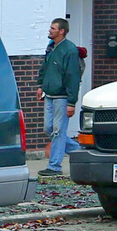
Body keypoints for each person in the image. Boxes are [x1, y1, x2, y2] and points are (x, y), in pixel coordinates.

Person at [37, 16, 84, 178]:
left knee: (58, 131)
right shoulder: (51, 47)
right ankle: (80, 152)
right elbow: (45, 67)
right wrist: (40, 85)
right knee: (49, 128)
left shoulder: (69, 50)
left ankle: (54, 166)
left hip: (62, 97)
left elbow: (73, 76)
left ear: (61, 31)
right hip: (49, 95)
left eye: (53, 28)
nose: (50, 30)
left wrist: (71, 102)